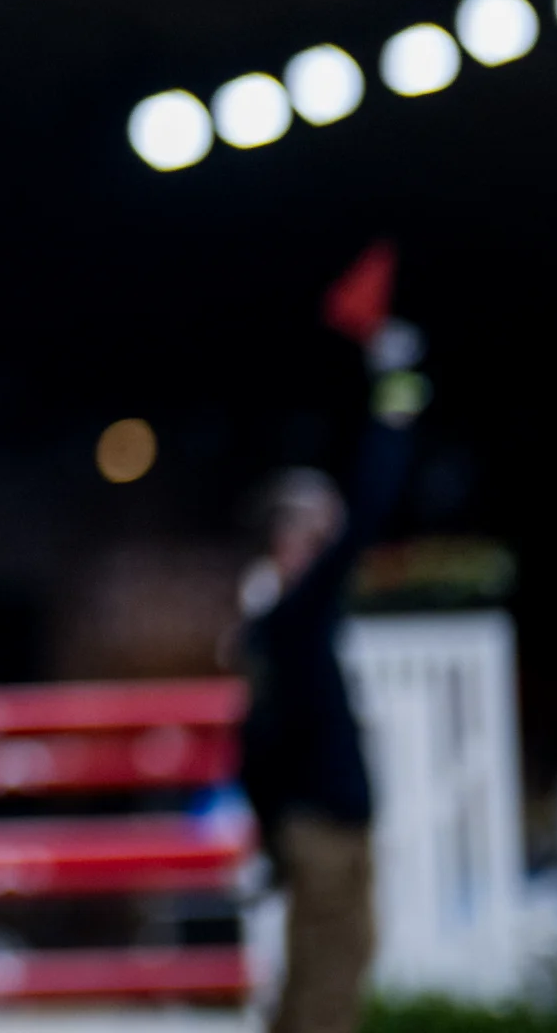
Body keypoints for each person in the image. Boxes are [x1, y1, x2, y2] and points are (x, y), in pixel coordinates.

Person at [235, 308, 431, 1033]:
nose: (330, 539)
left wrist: (268, 833)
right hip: (322, 825)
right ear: (290, 541)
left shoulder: (273, 625)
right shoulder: (290, 616)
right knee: (326, 985)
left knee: (323, 976)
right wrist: (396, 385)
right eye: (317, 527)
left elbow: (252, 746)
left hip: (314, 822)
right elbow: (375, 494)